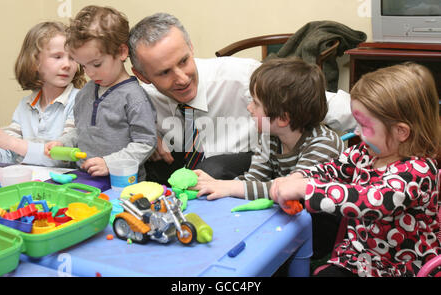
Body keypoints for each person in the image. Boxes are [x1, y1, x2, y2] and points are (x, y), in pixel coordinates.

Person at [128, 12, 356, 186]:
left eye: (184, 61)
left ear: (191, 47)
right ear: (143, 76)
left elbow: (315, 101)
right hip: (185, 166)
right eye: (164, 73)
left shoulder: (239, 76)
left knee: (213, 168)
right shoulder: (140, 99)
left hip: (250, 162)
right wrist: (150, 136)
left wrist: (381, 129)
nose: (181, 78)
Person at [270, 62, 441, 277]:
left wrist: (306, 189)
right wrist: (300, 176)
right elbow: (333, 168)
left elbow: (372, 201)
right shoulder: (367, 152)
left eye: (365, 126)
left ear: (401, 131)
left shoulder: (418, 171)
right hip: (360, 259)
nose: (358, 132)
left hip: (402, 269)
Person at [194, 57, 345, 259]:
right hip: (287, 210)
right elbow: (254, 179)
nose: (249, 108)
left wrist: (227, 186)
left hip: (322, 225)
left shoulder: (323, 144)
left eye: (256, 103)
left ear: (282, 118)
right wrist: (217, 186)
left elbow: (291, 192)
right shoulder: (268, 133)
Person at [45, 5, 157, 179]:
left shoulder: (134, 97)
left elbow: (145, 143)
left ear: (121, 52)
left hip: (122, 183)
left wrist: (109, 163)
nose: (90, 72)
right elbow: (82, 131)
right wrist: (63, 143)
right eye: (83, 65)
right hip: (84, 178)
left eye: (96, 64)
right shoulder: (86, 92)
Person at [0, 21, 85, 166]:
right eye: (57, 56)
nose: (67, 64)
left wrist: (11, 142)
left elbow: (62, 158)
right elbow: (9, 155)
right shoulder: (25, 105)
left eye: (72, 57)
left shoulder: (80, 100)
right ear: (34, 62)